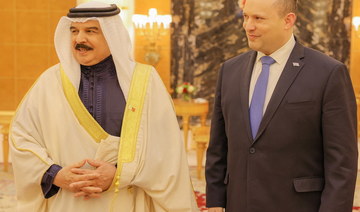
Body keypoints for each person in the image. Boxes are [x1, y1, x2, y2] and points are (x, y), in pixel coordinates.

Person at [10, 2, 198, 211]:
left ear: (112, 34)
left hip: (125, 198)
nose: (79, 39)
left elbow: (166, 148)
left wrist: (120, 174)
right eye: (74, 31)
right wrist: (54, 174)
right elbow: (22, 137)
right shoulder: (49, 81)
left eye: (91, 31)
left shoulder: (144, 80)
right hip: (67, 200)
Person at [205, 0, 358, 211]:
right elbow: (218, 147)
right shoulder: (229, 71)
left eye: (258, 18)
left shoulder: (328, 73)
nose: (248, 26)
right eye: (246, 16)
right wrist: (214, 202)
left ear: (288, 20)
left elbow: (342, 162)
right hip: (239, 203)